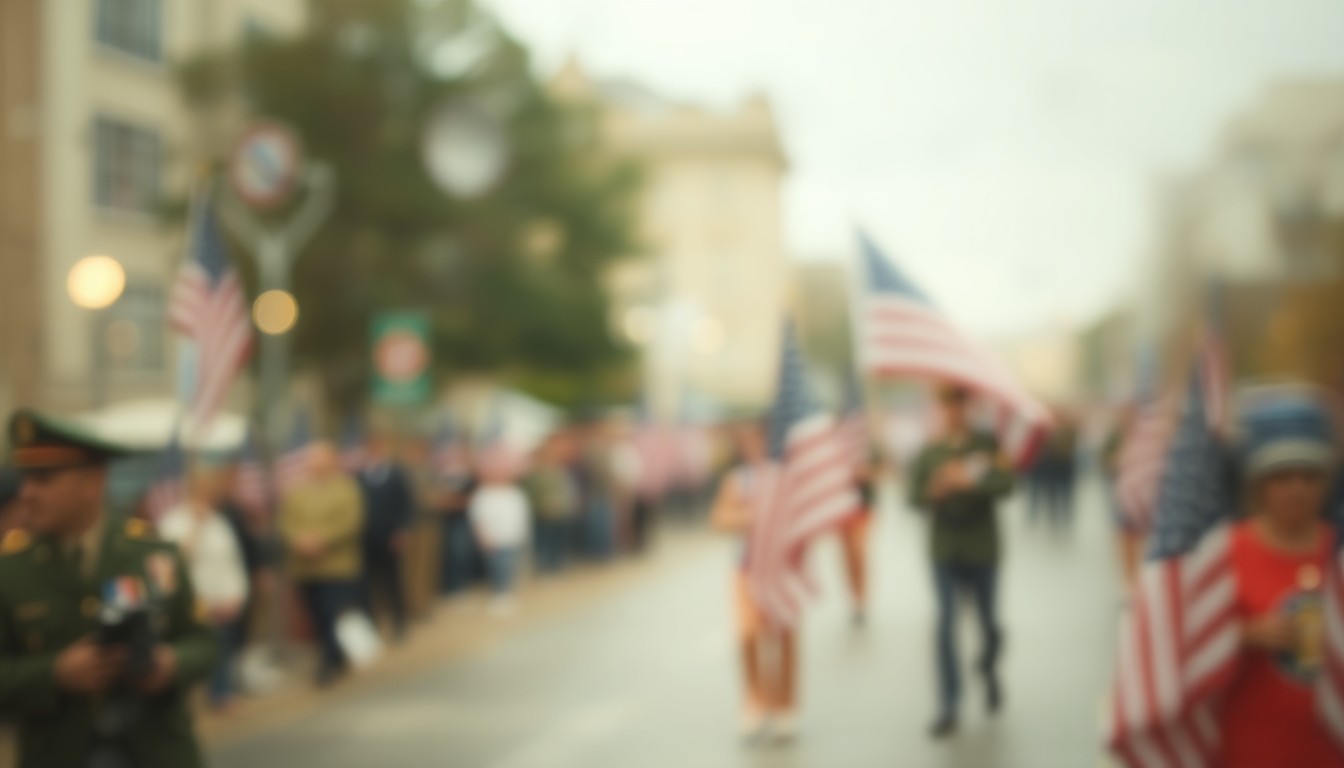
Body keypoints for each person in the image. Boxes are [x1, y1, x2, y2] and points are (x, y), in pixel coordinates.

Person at [0, 408, 219, 767]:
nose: (27, 493)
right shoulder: (10, 570)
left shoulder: (155, 556)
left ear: (91, 484)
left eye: (44, 479)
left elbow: (205, 643)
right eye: (25, 479)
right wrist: (55, 672)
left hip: (155, 752)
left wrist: (169, 664)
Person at [1215, 386, 1344, 768]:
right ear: (1257, 483)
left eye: (1310, 476)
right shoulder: (1224, 552)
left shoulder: (1339, 552)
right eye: (1281, 476)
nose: (1297, 489)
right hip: (1249, 747)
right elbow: (1181, 644)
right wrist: (1244, 633)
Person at [907, 384, 1014, 739]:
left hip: (982, 547)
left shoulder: (986, 446)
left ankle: (987, 665)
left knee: (989, 623)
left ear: (968, 408)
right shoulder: (931, 451)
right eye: (947, 405)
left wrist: (968, 482)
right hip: (945, 548)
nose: (954, 412)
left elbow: (1007, 484)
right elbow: (913, 498)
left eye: (959, 405)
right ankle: (949, 704)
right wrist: (935, 489)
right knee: (945, 623)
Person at [711, 421, 797, 742]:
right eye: (748, 440)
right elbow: (719, 518)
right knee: (748, 637)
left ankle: (785, 705)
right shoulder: (738, 480)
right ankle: (755, 701)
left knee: (784, 636)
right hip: (747, 567)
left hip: (781, 568)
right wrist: (750, 516)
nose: (754, 445)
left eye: (759, 438)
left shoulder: (787, 478)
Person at [157, 467, 249, 712]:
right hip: (193, 599)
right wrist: (196, 527)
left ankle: (221, 693)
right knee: (192, 646)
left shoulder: (220, 523)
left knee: (221, 646)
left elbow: (231, 561)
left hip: (222, 598)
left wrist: (236, 594)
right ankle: (182, 698)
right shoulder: (173, 522)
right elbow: (175, 561)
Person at [278, 442, 364, 687]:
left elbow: (351, 521)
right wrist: (299, 539)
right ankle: (334, 654)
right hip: (305, 567)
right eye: (312, 462)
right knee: (315, 614)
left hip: (336, 566)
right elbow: (286, 521)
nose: (316, 467)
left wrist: (322, 539)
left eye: (321, 461)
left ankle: (328, 662)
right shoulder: (298, 491)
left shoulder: (345, 488)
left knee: (331, 613)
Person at [355, 431, 414, 642]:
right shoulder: (360, 475)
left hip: (391, 536)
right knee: (367, 584)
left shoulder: (396, 474)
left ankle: (399, 623)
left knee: (393, 583)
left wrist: (402, 530)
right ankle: (372, 624)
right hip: (366, 538)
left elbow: (406, 504)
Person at [468, 462, 531, 617]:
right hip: (492, 538)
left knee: (508, 566)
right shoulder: (483, 494)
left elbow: (522, 515)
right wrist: (482, 535)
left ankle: (506, 592)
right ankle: (498, 593)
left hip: (511, 536)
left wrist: (521, 534)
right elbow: (477, 516)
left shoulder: (514, 493)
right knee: (495, 566)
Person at [525, 435, 578, 574]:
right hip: (543, 512)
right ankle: (544, 566)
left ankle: (556, 565)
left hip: (561, 512)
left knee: (558, 540)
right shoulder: (535, 472)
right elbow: (531, 492)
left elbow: (567, 490)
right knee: (544, 541)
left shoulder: (560, 470)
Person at [840, 447, 880, 626]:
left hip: (861, 505)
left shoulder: (865, 442)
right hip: (841, 506)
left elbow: (880, 468)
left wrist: (864, 473)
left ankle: (861, 600)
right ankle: (854, 600)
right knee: (847, 557)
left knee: (859, 552)